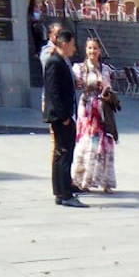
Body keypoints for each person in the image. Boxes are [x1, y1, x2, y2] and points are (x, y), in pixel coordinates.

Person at [43, 28, 85, 208]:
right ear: (65, 44)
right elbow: (53, 91)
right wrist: (64, 116)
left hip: (64, 115)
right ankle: (65, 194)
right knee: (64, 154)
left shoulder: (62, 61)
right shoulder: (55, 61)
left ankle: (61, 191)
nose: (75, 49)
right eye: (73, 44)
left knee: (62, 154)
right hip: (61, 117)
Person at [71, 37, 118, 194]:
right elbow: (77, 85)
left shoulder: (106, 69)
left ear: (100, 50)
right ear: (86, 49)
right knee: (87, 143)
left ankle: (106, 181)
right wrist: (91, 84)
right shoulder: (80, 68)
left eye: (95, 48)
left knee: (105, 143)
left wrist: (106, 91)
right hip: (87, 109)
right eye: (90, 48)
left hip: (103, 108)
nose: (92, 51)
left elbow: (110, 87)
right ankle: (83, 180)